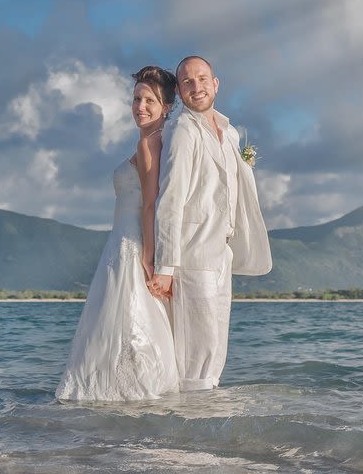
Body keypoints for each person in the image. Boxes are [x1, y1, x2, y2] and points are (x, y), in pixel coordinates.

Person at [147, 56, 272, 392]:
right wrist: (166, 266)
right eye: (187, 81)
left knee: (215, 352)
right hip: (192, 256)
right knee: (196, 353)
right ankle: (188, 435)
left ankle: (206, 434)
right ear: (180, 89)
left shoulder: (230, 132)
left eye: (202, 79)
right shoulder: (183, 131)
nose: (196, 86)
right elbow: (170, 199)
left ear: (215, 84)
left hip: (222, 255)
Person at [56, 66, 179, 401]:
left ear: (166, 106)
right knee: (126, 324)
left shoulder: (151, 145)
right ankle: (131, 397)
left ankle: (128, 395)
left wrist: (149, 255)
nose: (140, 106)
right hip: (122, 241)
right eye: (136, 98)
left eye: (149, 100)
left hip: (133, 244)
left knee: (128, 324)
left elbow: (151, 204)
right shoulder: (157, 141)